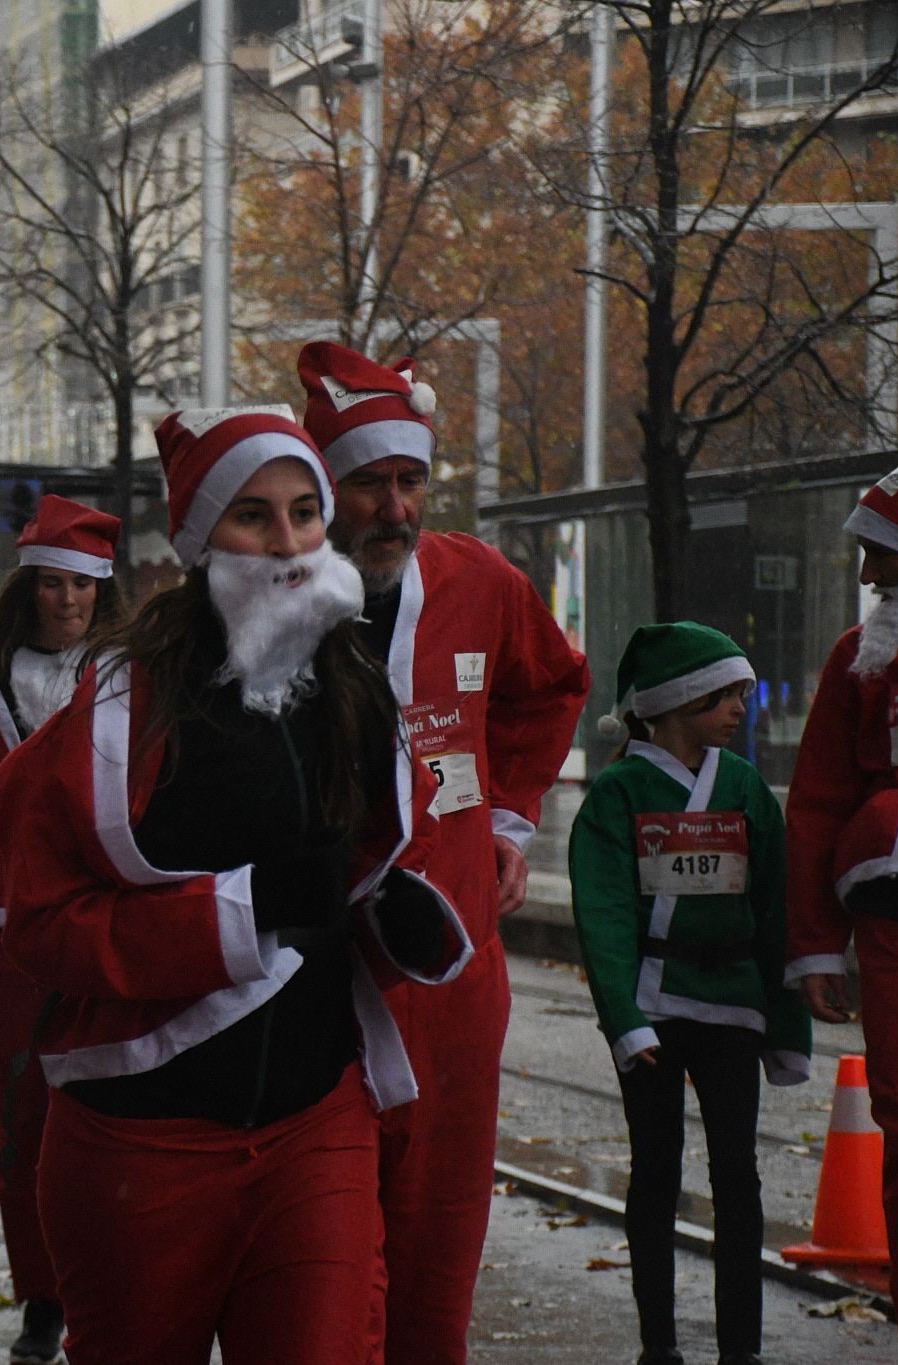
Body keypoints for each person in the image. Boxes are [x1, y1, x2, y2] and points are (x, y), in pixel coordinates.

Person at [0, 407, 470, 1365]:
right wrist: (243, 913)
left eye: (304, 512)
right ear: (201, 538)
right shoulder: (124, 706)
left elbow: (376, 855)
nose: (288, 542)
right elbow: (44, 924)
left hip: (315, 1125)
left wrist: (396, 912)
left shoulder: (354, 683)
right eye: (253, 515)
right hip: (141, 1140)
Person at [296, 340, 592, 1363]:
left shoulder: (477, 582)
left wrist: (505, 817)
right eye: (368, 485)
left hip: (456, 980)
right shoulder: (271, 605)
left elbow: (550, 686)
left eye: (409, 482)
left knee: (439, 1246)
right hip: (318, 981)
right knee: (331, 1270)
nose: (394, 509)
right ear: (323, 491)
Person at [0, 493, 127, 1365]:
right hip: (8, 940)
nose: (67, 600)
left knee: (119, 1105)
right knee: (23, 1115)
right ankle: (43, 1295)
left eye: (81, 585)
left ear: (102, 588)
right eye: (51, 584)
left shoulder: (131, 674)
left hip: (111, 925)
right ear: (28, 587)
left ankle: (115, 1283)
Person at [572, 623, 809, 1365]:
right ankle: (660, 1346)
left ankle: (742, 1349)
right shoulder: (617, 794)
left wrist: (787, 1020)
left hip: (733, 1007)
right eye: (726, 694)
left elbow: (776, 909)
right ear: (678, 701)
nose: (741, 708)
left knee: (738, 1176)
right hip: (652, 1009)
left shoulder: (745, 788)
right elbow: (605, 915)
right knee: (656, 1171)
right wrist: (623, 1016)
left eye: (742, 693)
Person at [785, 455, 898, 1365]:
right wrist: (815, 948)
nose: (869, 576)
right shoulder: (857, 661)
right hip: (895, 916)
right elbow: (818, 803)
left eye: (886, 554)